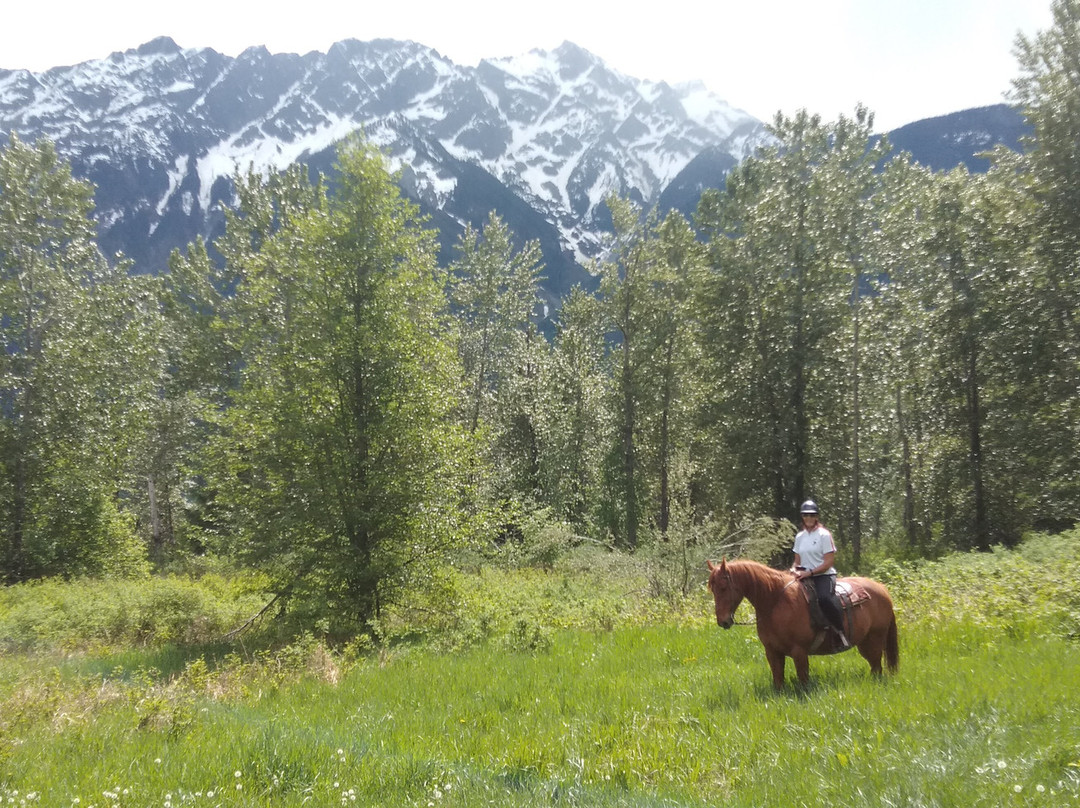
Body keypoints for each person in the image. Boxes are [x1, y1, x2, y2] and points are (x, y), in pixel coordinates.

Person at [791, 500, 849, 647]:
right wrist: (793, 570)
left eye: (812, 515)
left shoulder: (824, 535)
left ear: (817, 516)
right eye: (805, 515)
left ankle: (840, 630)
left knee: (824, 599)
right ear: (802, 517)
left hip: (823, 575)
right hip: (803, 575)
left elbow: (828, 562)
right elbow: (797, 561)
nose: (809, 518)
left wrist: (809, 573)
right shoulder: (800, 537)